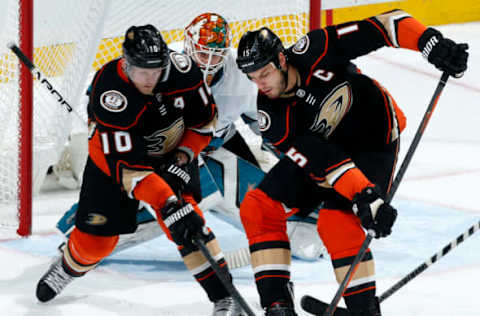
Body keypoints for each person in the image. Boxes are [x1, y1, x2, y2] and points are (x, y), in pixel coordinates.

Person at [235, 9, 468, 316]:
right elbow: (324, 161)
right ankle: (278, 306)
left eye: (263, 73)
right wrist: (365, 196)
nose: (259, 84)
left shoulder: (314, 49)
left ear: (281, 60)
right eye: (252, 78)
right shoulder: (272, 119)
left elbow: (384, 26)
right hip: (330, 154)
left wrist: (428, 41)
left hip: (375, 135)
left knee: (335, 221)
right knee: (258, 205)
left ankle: (364, 310)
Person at [35, 24, 244, 316]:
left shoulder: (183, 72)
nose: (150, 79)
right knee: (95, 245)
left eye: (156, 70)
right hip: (114, 164)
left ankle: (225, 297)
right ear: (126, 62)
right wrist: (167, 201)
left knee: (189, 227)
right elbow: (130, 171)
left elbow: (204, 124)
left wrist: (183, 158)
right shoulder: (110, 91)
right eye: (142, 72)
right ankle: (69, 266)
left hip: (171, 157)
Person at [184, 12, 261, 167]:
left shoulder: (241, 74)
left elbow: (258, 118)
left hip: (221, 137)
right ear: (189, 46)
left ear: (225, 54)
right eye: (203, 53)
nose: (208, 62)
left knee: (255, 187)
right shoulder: (168, 68)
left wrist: (285, 148)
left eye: (215, 56)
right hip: (181, 148)